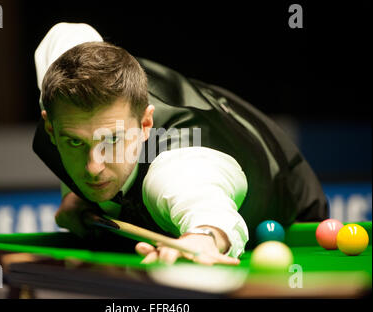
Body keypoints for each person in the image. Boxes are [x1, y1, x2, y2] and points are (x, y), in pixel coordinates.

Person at [33, 23, 328, 266]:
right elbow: (67, 34)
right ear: (50, 126)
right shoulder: (62, 89)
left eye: (112, 140)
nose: (94, 167)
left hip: (286, 194)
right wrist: (75, 191)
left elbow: (204, 204)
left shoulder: (176, 165)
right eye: (74, 142)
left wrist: (203, 237)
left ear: (145, 125)